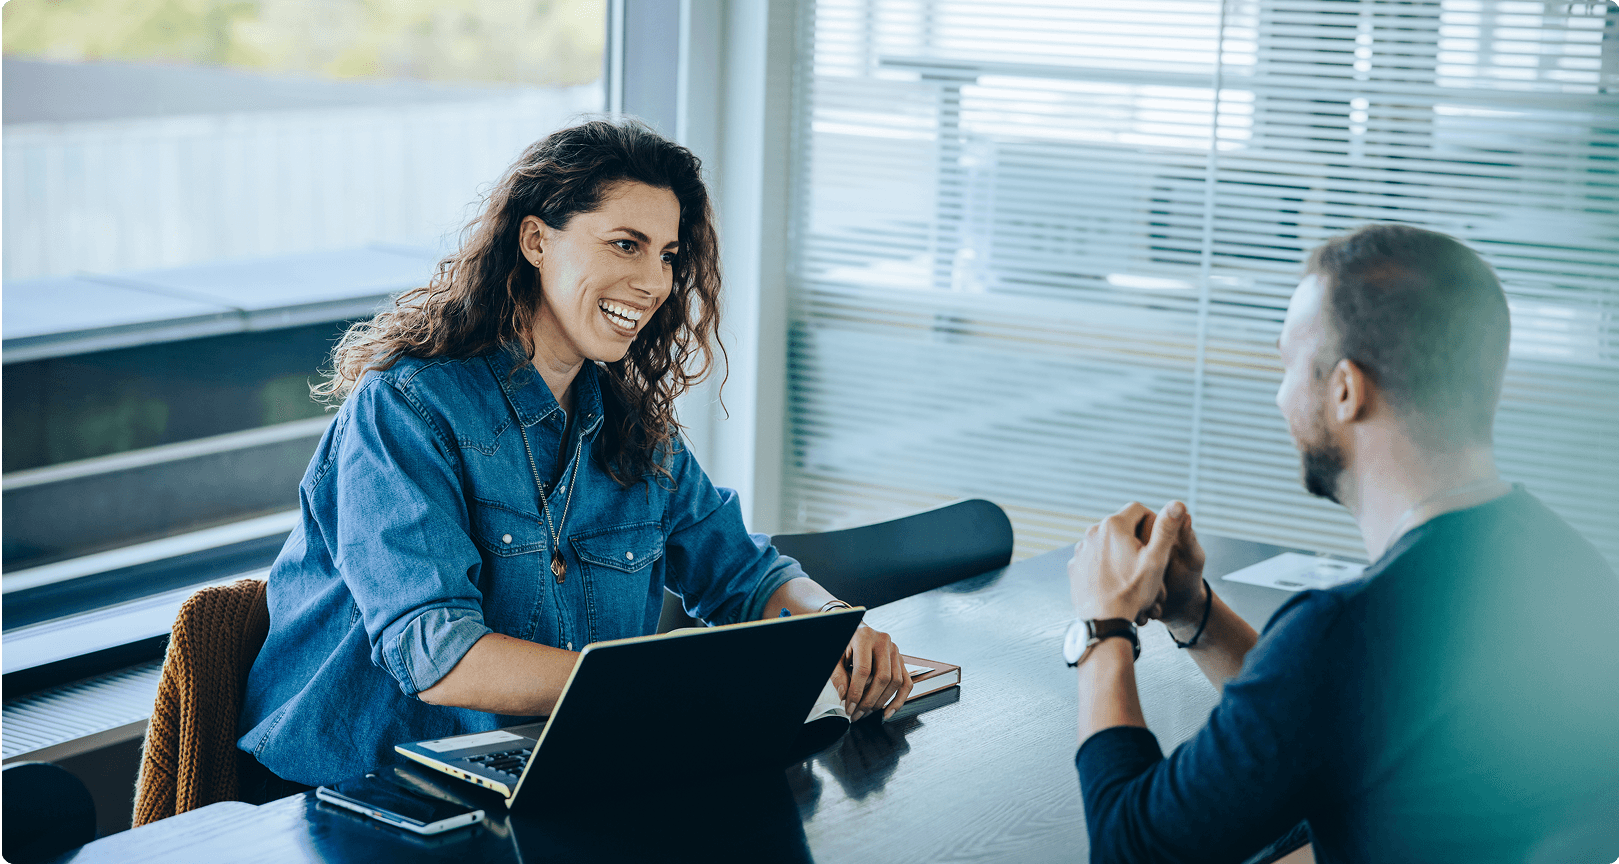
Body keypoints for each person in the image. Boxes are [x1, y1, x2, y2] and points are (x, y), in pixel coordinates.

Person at [237, 119, 912, 794]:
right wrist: (653, 689)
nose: (653, 283)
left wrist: (830, 627)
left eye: (669, 257)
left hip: (548, 763)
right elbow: (436, 655)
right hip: (353, 789)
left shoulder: (633, 427)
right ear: (535, 239)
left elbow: (743, 572)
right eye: (626, 245)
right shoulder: (409, 407)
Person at [1065, 224, 1619, 863]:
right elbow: (1340, 715)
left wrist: (1101, 628)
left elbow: (1128, 849)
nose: (1278, 397)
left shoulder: (1347, 632)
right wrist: (1196, 612)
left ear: (1346, 390)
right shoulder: (1569, 566)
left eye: (1286, 364)